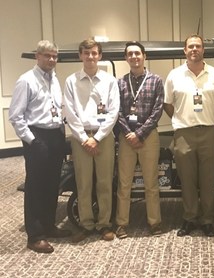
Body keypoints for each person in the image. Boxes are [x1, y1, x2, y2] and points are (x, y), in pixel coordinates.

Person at [9, 40, 71, 253]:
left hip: (55, 135)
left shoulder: (54, 78)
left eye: (54, 56)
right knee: (36, 186)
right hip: (37, 137)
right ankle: (34, 235)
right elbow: (16, 116)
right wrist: (32, 141)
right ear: (38, 56)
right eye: (47, 55)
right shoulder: (26, 80)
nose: (52, 60)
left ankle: (49, 225)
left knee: (53, 184)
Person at [163, 34, 214, 237]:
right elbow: (167, 103)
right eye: (190, 46)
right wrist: (181, 120)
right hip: (183, 133)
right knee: (187, 179)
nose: (194, 49)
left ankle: (208, 219)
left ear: (203, 50)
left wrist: (209, 118)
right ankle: (190, 217)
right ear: (185, 50)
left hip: (208, 132)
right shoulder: (174, 75)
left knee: (208, 178)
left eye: (198, 46)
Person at [63, 39, 120, 242]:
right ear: (80, 55)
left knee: (105, 182)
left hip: (103, 136)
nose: (90, 56)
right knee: (83, 183)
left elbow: (113, 112)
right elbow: (69, 112)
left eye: (94, 53)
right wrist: (84, 138)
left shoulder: (109, 81)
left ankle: (104, 224)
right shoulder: (71, 81)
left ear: (100, 55)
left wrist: (96, 138)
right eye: (86, 53)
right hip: (80, 139)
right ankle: (86, 224)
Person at [114, 42, 164, 238]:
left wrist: (140, 133)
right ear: (126, 58)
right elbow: (116, 111)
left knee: (151, 182)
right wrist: (129, 134)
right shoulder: (120, 82)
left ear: (144, 56)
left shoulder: (156, 80)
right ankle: (121, 224)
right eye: (130, 54)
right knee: (124, 183)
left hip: (149, 136)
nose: (134, 57)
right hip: (126, 137)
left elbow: (157, 110)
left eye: (137, 53)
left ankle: (154, 223)